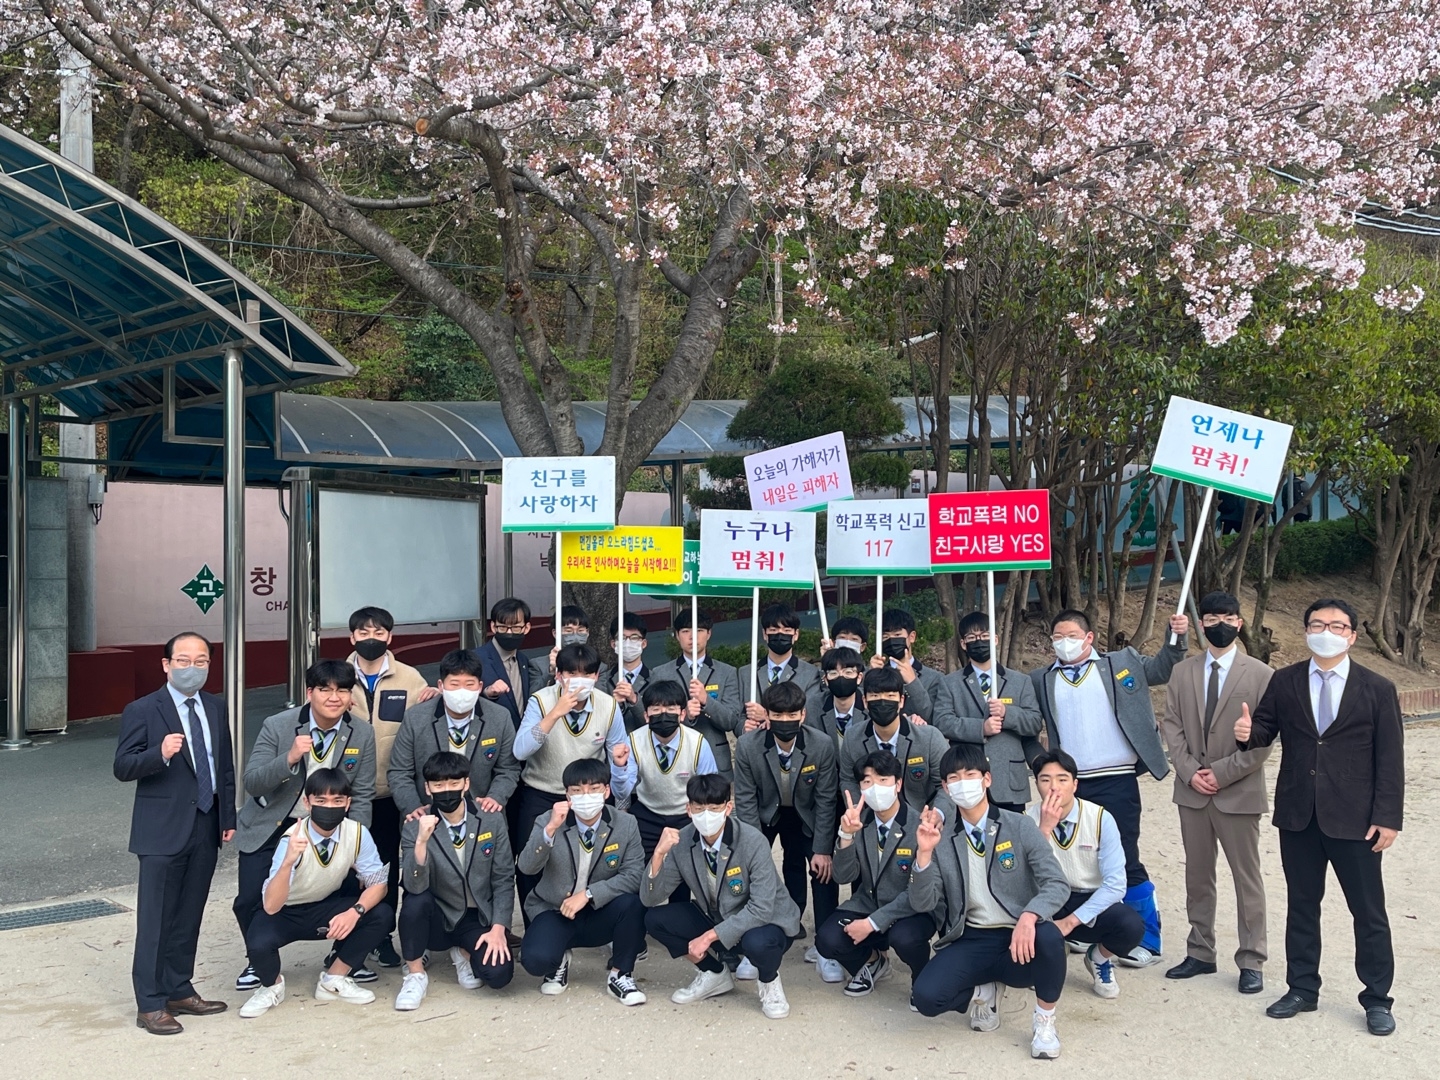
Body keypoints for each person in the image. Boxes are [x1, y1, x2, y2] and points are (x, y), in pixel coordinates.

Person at [1235, 597, 1404, 1036]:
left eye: (1336, 625)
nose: (1326, 631)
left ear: (1352, 635)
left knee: (1368, 912)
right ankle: (1302, 989)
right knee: (1302, 907)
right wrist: (1247, 734)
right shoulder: (1286, 680)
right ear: (1306, 630)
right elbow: (1265, 728)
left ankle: (1377, 999)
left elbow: (1390, 759)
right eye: (1317, 624)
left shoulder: (1377, 688)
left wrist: (1388, 817)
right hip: (1299, 815)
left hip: (1357, 820)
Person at [1028, 608, 1189, 966]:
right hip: (1068, 785)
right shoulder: (1041, 679)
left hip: (1117, 778)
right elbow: (1026, 723)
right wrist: (1041, 764)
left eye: (1071, 636)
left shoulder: (1121, 663)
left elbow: (1163, 668)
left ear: (1089, 638)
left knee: (1125, 858)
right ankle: (1084, 928)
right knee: (1070, 857)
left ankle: (1147, 938)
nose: (1064, 643)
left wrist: (1176, 637)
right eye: (1057, 637)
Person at [908, 744, 1071, 1060]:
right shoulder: (941, 838)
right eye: (954, 778)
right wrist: (924, 855)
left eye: (970, 775)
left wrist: (1029, 916)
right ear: (945, 789)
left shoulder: (1018, 825)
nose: (963, 783)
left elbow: (1057, 883)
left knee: (1050, 938)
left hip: (1018, 935)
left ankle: (1044, 1021)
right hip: (972, 937)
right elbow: (922, 902)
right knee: (926, 998)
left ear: (987, 779)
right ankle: (983, 990)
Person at [115, 632, 235, 1035]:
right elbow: (123, 766)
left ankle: (179, 989)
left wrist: (227, 817)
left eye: (201, 661)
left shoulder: (215, 707)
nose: (192, 668)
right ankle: (149, 1003)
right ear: (166, 665)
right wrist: (159, 754)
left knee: (188, 914)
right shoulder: (142, 710)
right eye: (183, 660)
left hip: (206, 822)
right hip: (161, 830)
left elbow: (224, 767)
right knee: (156, 919)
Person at [233, 660, 376, 991]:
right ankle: (258, 960)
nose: (334, 697)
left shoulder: (361, 732)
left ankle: (343, 956)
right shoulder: (278, 725)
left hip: (331, 825)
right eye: (325, 689)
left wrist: (356, 843)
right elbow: (252, 783)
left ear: (351, 696)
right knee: (250, 898)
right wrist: (289, 758)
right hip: (274, 823)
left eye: (342, 690)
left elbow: (363, 792)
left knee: (351, 888)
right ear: (309, 692)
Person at [1159, 591, 1273, 994]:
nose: (1219, 624)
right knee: (1197, 875)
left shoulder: (1261, 675)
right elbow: (1172, 726)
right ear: (1201, 624)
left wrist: (1221, 774)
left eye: (1227, 617)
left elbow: (1263, 739)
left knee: (1247, 878)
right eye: (1210, 618)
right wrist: (1190, 772)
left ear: (1239, 623)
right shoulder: (1182, 672)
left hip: (1238, 791)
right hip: (1192, 792)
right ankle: (1200, 951)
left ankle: (1252, 959)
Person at [642, 773, 801, 1019]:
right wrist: (658, 855)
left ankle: (770, 982)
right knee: (655, 919)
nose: (706, 815)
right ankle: (714, 974)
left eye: (714, 808)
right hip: (719, 918)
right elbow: (650, 899)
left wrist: (708, 937)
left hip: (767, 922)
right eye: (699, 808)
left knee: (759, 943)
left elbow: (761, 908)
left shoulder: (752, 841)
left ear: (728, 808)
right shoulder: (682, 841)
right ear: (688, 809)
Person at [238, 769, 394, 1017]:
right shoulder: (292, 838)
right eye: (321, 800)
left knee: (381, 914)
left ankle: (334, 979)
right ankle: (271, 986)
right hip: (285, 912)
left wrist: (354, 912)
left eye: (337, 800)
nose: (329, 807)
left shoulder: (357, 833)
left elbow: (379, 884)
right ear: (307, 802)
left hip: (325, 907)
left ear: (348, 803)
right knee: (258, 943)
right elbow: (270, 906)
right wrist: (288, 861)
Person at [344, 605, 438, 970]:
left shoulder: (410, 677)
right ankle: (348, 938)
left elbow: (423, 722)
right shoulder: (337, 676)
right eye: (364, 633)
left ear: (390, 636)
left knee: (386, 867)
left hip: (393, 792)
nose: (371, 639)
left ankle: (381, 938)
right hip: (347, 794)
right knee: (349, 868)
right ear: (352, 637)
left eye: (379, 633)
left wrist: (432, 697)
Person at [733, 681, 843, 983]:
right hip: (766, 813)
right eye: (778, 715)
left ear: (803, 714)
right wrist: (753, 851)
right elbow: (745, 800)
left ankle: (825, 949)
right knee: (750, 871)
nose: (785, 721)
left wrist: (823, 849)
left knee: (823, 872)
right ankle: (752, 945)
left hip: (806, 813)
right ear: (767, 715)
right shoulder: (748, 745)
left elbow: (826, 800)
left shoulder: (821, 744)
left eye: (792, 715)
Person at [511, 643, 629, 917]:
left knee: (593, 860)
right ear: (559, 675)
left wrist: (620, 777)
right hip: (542, 792)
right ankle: (536, 925)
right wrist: (555, 713)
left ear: (596, 676)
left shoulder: (608, 705)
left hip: (588, 794)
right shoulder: (541, 701)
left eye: (587, 674)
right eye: (572, 674)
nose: (579, 680)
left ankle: (589, 922)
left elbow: (619, 755)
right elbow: (520, 750)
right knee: (531, 862)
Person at [517, 758, 648, 1006]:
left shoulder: (625, 823)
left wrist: (588, 894)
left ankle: (620, 974)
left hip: (600, 911)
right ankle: (559, 960)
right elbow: (526, 867)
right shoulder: (547, 819)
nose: (585, 796)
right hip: (556, 910)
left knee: (633, 904)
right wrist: (550, 830)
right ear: (567, 795)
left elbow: (634, 875)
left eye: (594, 789)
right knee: (535, 961)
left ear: (606, 791)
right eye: (577, 791)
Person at [391, 751, 515, 1011]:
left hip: (476, 916)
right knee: (414, 902)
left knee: (499, 975)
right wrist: (421, 842)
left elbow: (504, 877)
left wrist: (499, 928)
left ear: (466, 783)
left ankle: (463, 952)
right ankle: (415, 974)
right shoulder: (414, 825)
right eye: (438, 785)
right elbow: (414, 885)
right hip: (437, 916)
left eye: (454, 783)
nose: (446, 790)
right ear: (427, 788)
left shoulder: (490, 818)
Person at [816, 751, 936, 997]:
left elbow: (917, 892)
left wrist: (871, 923)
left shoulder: (918, 826)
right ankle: (872, 961)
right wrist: (846, 835)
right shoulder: (859, 821)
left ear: (898, 784)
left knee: (906, 938)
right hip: (869, 902)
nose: (875, 788)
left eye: (883, 780)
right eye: (867, 782)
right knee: (827, 940)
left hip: (912, 909)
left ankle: (921, 975)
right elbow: (843, 876)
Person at [1028, 750, 1143, 999]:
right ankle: (1047, 957)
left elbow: (1116, 885)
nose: (1054, 787)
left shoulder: (1100, 818)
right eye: (1045, 779)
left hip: (1090, 898)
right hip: (1050, 898)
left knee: (1131, 926)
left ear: (1075, 784)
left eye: (1062, 779)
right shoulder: (1027, 821)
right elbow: (1025, 878)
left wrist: (1070, 921)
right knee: (1019, 915)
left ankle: (1099, 958)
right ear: (1036, 784)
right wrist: (1044, 830)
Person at [388, 648, 520, 819]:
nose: (462, 691)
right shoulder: (415, 718)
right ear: (441, 686)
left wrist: (495, 797)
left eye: (469, 684)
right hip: (427, 815)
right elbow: (399, 771)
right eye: (455, 684)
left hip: (482, 815)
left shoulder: (499, 717)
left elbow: (508, 768)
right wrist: (413, 807)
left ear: (480, 686)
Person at [933, 612, 1044, 812]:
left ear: (995, 639)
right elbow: (943, 721)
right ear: (963, 644)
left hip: (1009, 782)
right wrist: (981, 728)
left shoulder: (1020, 681)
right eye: (972, 638)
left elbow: (1034, 722)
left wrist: (1007, 713)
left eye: (985, 636)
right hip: (968, 781)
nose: (979, 642)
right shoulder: (950, 683)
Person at [615, 680, 718, 859]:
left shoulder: (698, 743)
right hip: (647, 814)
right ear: (646, 715)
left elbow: (709, 789)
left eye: (671, 709)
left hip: (687, 816)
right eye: (656, 710)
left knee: (686, 868)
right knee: (642, 868)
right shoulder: (633, 741)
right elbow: (622, 792)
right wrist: (619, 767)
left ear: (682, 714)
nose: (663, 715)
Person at [649, 608, 744, 780]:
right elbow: (655, 717)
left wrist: (706, 701)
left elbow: (731, 720)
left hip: (715, 759)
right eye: (686, 631)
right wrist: (687, 716)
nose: (692, 637)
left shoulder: (726, 672)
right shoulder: (661, 673)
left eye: (699, 630)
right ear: (677, 635)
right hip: (675, 758)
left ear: (709, 634)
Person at [837, 666, 948, 810]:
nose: (882, 702)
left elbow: (945, 783)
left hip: (922, 816)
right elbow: (848, 780)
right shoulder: (852, 738)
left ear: (901, 701)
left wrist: (938, 814)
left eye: (890, 696)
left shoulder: (929, 737)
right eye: (875, 696)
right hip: (872, 816)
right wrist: (857, 809)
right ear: (865, 701)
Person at [740, 603, 821, 722]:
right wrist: (743, 727)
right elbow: (737, 715)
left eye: (787, 630)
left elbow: (810, 716)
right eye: (773, 630)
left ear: (796, 634)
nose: (780, 634)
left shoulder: (810, 674)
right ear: (765, 634)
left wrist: (766, 716)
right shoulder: (746, 673)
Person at [475, 597, 536, 729]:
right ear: (493, 626)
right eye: (503, 627)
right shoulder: (475, 659)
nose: (509, 632)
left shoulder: (524, 661)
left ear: (526, 628)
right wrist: (487, 692)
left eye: (516, 628)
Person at [875, 609, 940, 721]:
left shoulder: (934, 678)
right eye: (885, 637)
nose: (891, 640)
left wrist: (912, 682)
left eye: (897, 635)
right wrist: (874, 675)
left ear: (911, 637)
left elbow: (930, 716)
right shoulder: (875, 673)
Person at [805, 647, 869, 748]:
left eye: (848, 672)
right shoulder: (813, 706)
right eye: (833, 673)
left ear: (859, 677)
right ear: (826, 680)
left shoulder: (870, 705)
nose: (841, 677)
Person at [598, 612, 651, 731]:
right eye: (622, 638)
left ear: (643, 643)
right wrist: (614, 706)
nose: (628, 643)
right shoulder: (603, 680)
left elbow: (655, 724)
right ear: (613, 644)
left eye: (634, 638)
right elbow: (597, 724)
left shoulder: (656, 678)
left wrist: (634, 700)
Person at [532, 605, 600, 689]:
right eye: (568, 631)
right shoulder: (537, 665)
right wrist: (552, 671)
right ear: (555, 633)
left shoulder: (598, 666)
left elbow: (600, 695)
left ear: (587, 633)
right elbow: (534, 694)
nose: (575, 635)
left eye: (580, 630)